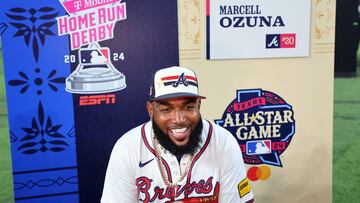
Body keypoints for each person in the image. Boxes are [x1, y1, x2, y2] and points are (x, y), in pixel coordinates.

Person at [101, 66, 254, 203]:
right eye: (166, 109)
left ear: (198, 106)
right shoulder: (128, 147)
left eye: (188, 107)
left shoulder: (223, 142)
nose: (179, 119)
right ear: (151, 110)